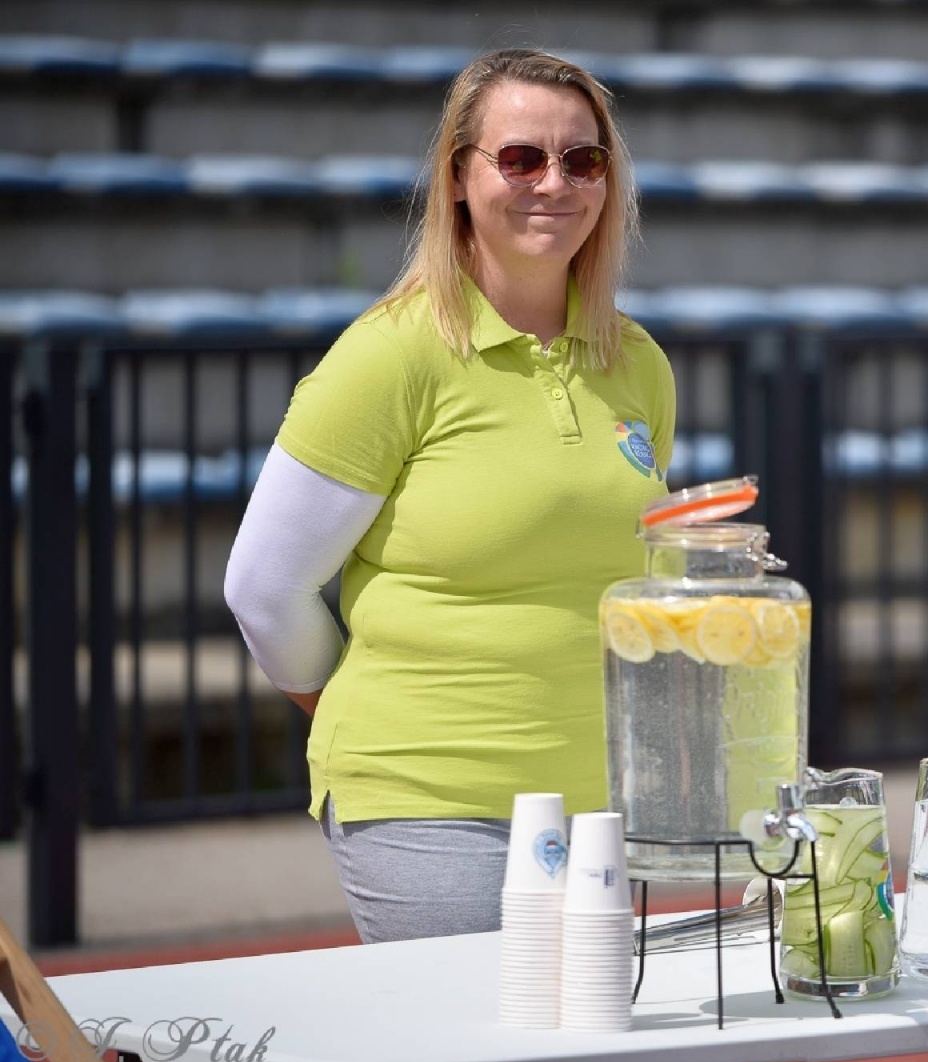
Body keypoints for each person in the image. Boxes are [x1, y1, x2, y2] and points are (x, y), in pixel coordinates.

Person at [224, 49, 676, 942]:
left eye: (583, 160)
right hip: (426, 795)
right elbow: (262, 587)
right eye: (520, 158)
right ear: (459, 176)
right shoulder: (391, 355)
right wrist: (346, 703)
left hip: (594, 805)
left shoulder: (640, 364)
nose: (555, 182)